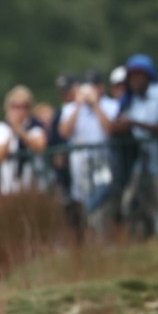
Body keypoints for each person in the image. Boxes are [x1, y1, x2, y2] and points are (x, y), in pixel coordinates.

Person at [112, 54, 158, 236]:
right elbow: (121, 123)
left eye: (139, 75)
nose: (135, 80)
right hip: (145, 163)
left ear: (148, 75)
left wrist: (132, 124)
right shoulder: (130, 100)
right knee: (133, 202)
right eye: (132, 76)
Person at [58, 71, 119, 235]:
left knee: (103, 198)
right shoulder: (71, 108)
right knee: (82, 201)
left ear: (100, 88)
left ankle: (103, 234)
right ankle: (90, 236)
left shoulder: (110, 105)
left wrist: (96, 105)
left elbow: (109, 130)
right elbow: (64, 132)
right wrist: (78, 105)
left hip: (103, 161)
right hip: (80, 166)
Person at [0, 86, 48, 195]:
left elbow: (40, 146)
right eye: (16, 107)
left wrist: (21, 132)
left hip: (33, 183)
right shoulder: (1, 127)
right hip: (9, 184)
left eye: (24, 107)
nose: (20, 111)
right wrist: (12, 133)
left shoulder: (34, 125)